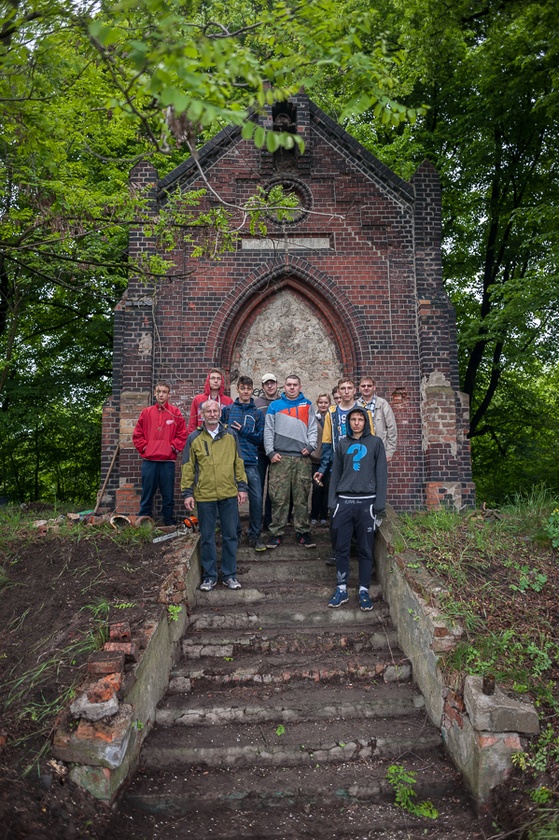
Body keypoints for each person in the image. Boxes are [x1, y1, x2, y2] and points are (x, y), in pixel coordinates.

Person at [181, 400, 248, 591]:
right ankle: (210, 576)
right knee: (208, 537)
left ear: (220, 413)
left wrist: (242, 487)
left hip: (228, 493)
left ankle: (229, 575)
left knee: (230, 535)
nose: (212, 414)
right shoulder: (194, 437)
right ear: (202, 415)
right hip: (204, 495)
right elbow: (187, 467)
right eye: (208, 411)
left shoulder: (231, 435)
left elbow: (239, 462)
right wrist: (187, 493)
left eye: (215, 410)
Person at [327, 406, 387, 611]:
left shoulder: (376, 443)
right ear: (348, 422)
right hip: (344, 502)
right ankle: (341, 589)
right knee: (341, 548)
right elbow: (335, 474)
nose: (357, 422)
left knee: (365, 549)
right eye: (353, 419)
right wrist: (332, 502)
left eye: (360, 419)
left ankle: (363, 590)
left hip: (367, 503)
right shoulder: (342, 444)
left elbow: (381, 474)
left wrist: (379, 504)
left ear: (366, 422)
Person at [264, 374, 317, 549]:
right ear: (284, 387)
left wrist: (310, 446)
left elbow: (313, 428)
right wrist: (270, 452)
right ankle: (276, 533)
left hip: (302, 458)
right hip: (280, 459)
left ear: (300, 387)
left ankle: (303, 532)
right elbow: (268, 431)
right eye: (289, 384)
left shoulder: (308, 405)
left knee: (301, 497)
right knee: (279, 498)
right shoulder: (274, 406)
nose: (292, 387)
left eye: (295, 384)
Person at [222, 376, 266, 551]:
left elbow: (260, 439)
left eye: (249, 388)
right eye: (243, 388)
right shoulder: (228, 410)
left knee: (256, 499)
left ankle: (254, 534)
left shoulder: (257, 413)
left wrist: (245, 431)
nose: (246, 391)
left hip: (250, 462)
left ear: (252, 390)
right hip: (231, 462)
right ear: (238, 389)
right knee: (231, 500)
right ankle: (236, 532)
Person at [133, 381, 187, 525]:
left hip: (167, 461)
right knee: (147, 493)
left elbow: (182, 434)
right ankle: (143, 522)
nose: (161, 394)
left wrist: (172, 448)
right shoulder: (147, 412)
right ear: (155, 393)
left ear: (169, 394)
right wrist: (145, 448)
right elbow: (137, 435)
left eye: (164, 392)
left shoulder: (175, 413)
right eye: (158, 391)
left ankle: (168, 522)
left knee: (168, 495)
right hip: (149, 461)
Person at [254, 373, 280, 531]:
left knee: (274, 490)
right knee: (258, 489)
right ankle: (256, 523)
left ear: (277, 384)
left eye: (272, 383)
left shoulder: (282, 402)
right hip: (259, 451)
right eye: (266, 384)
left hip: (277, 451)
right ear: (262, 386)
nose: (270, 386)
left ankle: (270, 522)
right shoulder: (256, 403)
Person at [357, 376, 397, 461]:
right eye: (363, 386)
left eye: (369, 386)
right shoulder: (355, 405)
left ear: (374, 387)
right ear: (359, 388)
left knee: (379, 474)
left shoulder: (383, 404)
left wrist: (389, 452)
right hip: (360, 450)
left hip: (379, 449)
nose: (366, 388)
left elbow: (392, 428)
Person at [185, 368, 233, 436]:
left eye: (218, 378)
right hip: (201, 438)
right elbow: (192, 424)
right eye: (213, 378)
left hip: (222, 438)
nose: (216, 381)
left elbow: (230, 423)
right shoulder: (198, 399)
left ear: (221, 381)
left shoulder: (228, 401)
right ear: (208, 380)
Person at [310, 393, 331, 526]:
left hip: (328, 459)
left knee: (327, 488)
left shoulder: (332, 418)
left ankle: (324, 515)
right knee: (317, 488)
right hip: (315, 459)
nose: (323, 405)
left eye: (326, 402)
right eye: (321, 402)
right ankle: (313, 515)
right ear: (317, 404)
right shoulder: (312, 418)